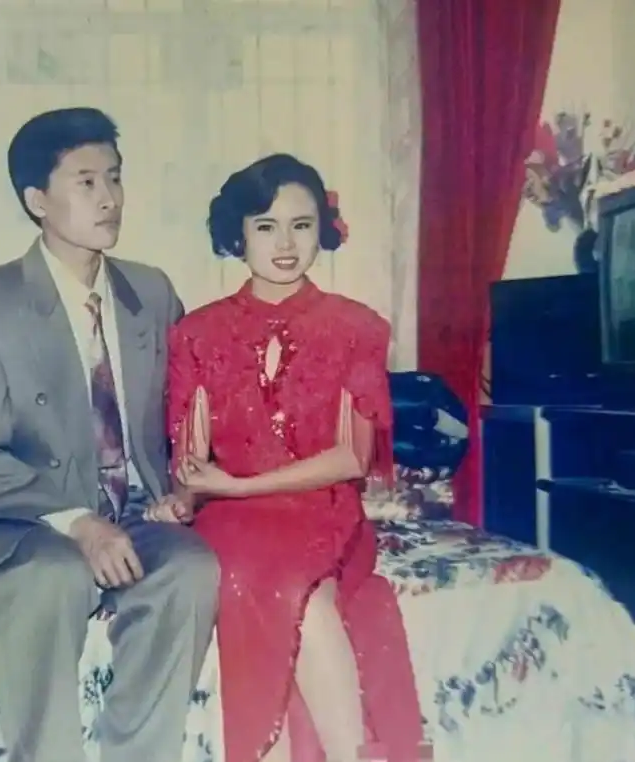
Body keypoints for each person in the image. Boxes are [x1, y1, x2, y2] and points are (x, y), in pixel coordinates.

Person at [0, 107, 220, 762]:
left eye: (114, 177)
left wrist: (186, 489)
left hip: (133, 510)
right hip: (23, 517)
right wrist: (79, 523)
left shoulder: (150, 291)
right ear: (38, 200)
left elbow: (188, 415)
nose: (110, 197)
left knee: (190, 569)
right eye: (86, 182)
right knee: (53, 577)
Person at [152, 154, 428, 762]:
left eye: (301, 226)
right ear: (238, 234)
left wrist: (234, 486)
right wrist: (184, 497)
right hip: (232, 521)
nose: (285, 244)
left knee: (298, 585)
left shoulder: (356, 327)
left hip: (322, 507)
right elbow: (192, 460)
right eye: (266, 226)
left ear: (321, 231)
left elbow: (352, 458)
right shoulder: (196, 334)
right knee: (260, 581)